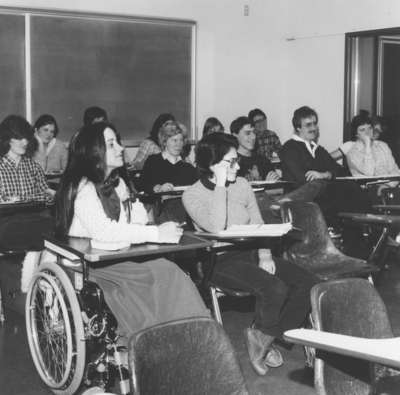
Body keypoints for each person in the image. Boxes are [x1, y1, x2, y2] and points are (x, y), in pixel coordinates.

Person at [52, 121, 209, 341]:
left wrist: (137, 211)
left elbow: (138, 219)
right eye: (111, 144)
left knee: (169, 270)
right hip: (87, 266)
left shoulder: (117, 184)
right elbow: (104, 232)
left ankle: (194, 335)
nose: (121, 148)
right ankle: (154, 340)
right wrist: (156, 234)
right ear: (93, 152)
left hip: (116, 257)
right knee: (150, 279)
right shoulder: (82, 187)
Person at [182, 132, 316, 376]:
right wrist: (221, 184)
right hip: (219, 261)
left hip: (252, 252)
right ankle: (268, 336)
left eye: (236, 160)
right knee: (275, 288)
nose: (238, 165)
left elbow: (258, 222)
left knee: (309, 283)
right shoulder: (191, 195)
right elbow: (215, 226)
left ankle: (264, 335)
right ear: (211, 165)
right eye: (230, 162)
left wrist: (265, 253)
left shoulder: (242, 184)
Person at [280, 106, 370, 228]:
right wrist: (326, 177)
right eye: (308, 125)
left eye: (315, 124)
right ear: (298, 128)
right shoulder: (289, 148)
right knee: (349, 196)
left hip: (324, 198)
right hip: (302, 201)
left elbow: (341, 171)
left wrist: (325, 174)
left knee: (357, 190)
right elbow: (302, 180)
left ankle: (371, 234)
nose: (313, 128)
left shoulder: (318, 150)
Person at [0, 115, 55, 291]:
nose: (24, 142)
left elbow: (47, 197)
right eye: (18, 137)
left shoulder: (33, 167)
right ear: (7, 139)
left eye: (26, 137)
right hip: (6, 225)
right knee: (45, 235)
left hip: (33, 222)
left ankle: (38, 280)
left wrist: (24, 199)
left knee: (52, 228)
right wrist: (34, 197)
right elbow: (42, 196)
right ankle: (36, 279)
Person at [141, 121, 197, 194]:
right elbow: (143, 185)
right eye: (175, 140)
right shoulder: (153, 161)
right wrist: (158, 188)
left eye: (181, 140)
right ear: (164, 142)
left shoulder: (188, 167)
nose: (179, 144)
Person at [230, 116, 279, 182]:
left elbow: (278, 188)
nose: (253, 137)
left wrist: (269, 185)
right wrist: (265, 184)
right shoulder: (232, 162)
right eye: (247, 133)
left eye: (254, 133)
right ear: (235, 135)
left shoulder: (263, 160)